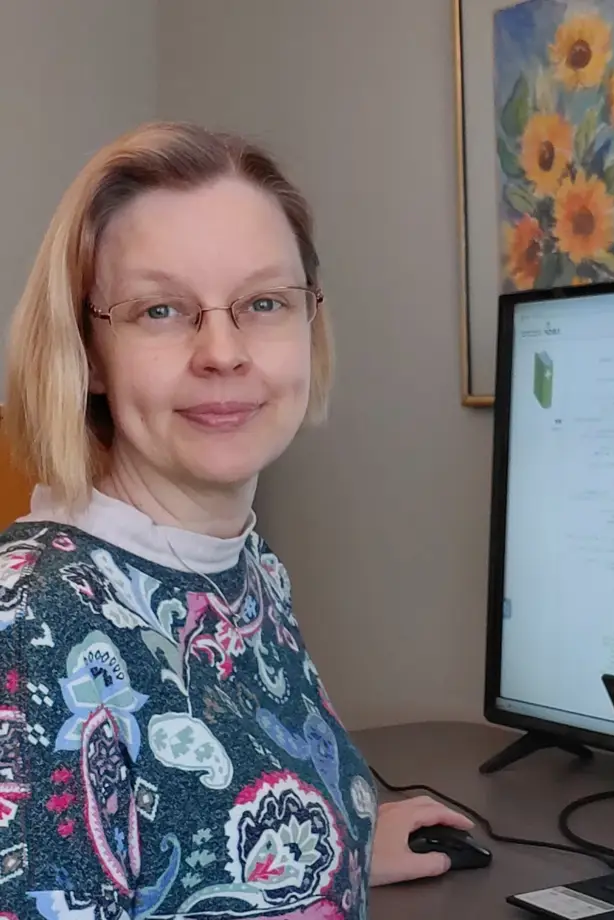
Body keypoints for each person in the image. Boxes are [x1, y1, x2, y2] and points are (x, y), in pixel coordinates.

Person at [0, 122, 471, 919]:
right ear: (87, 351)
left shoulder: (243, 566)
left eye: (263, 303)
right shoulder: (30, 626)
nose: (222, 351)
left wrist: (345, 838)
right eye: (159, 309)